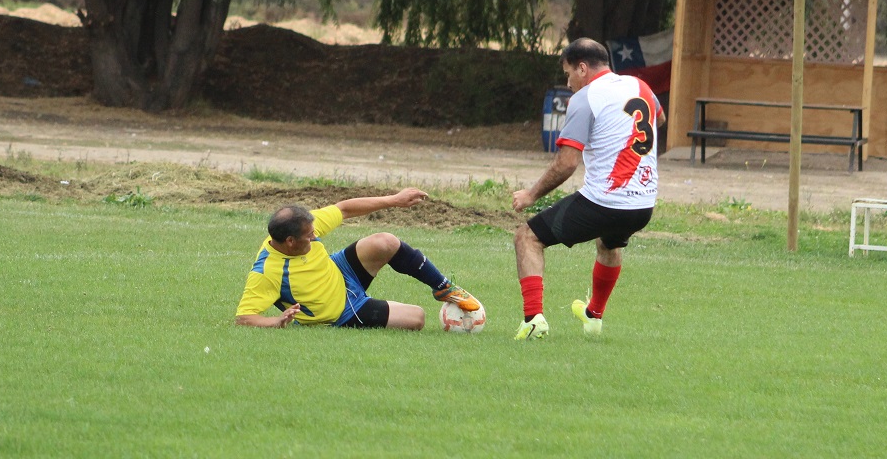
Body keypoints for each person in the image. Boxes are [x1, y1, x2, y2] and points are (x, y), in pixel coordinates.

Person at [511, 38, 665, 341]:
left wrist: (531, 195)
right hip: (643, 205)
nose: (568, 83)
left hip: (605, 202)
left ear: (582, 68)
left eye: (568, 74)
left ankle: (533, 320)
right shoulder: (639, 86)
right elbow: (658, 118)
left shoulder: (586, 98)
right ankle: (594, 316)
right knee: (609, 243)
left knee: (527, 237)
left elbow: (567, 164)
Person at [235, 187, 480, 330]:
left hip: (340, 272)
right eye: (309, 237)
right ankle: (369, 307)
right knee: (417, 318)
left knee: (385, 241)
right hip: (343, 311)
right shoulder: (266, 272)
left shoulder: (302, 224)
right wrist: (275, 321)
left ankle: (443, 287)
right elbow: (244, 317)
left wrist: (394, 200)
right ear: (290, 241)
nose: (314, 236)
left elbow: (343, 209)